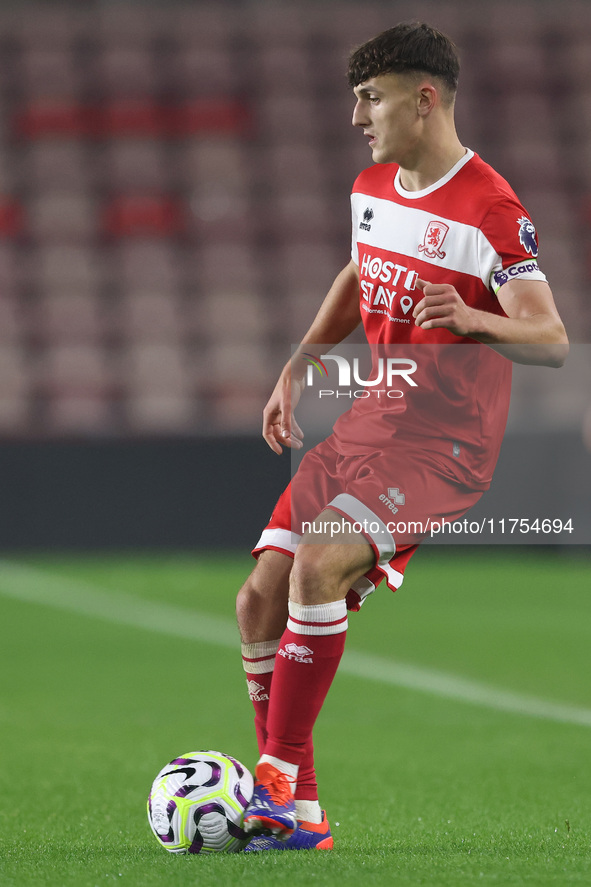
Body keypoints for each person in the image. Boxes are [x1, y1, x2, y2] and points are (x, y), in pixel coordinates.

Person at [237, 22, 569, 851]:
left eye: (370, 97)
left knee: (316, 563)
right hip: (369, 420)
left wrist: (473, 317)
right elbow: (358, 272)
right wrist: (300, 366)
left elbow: (553, 337)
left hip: (442, 445)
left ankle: (273, 784)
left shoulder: (491, 208)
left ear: (424, 99)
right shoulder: (372, 185)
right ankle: (299, 814)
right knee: (258, 598)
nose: (357, 116)